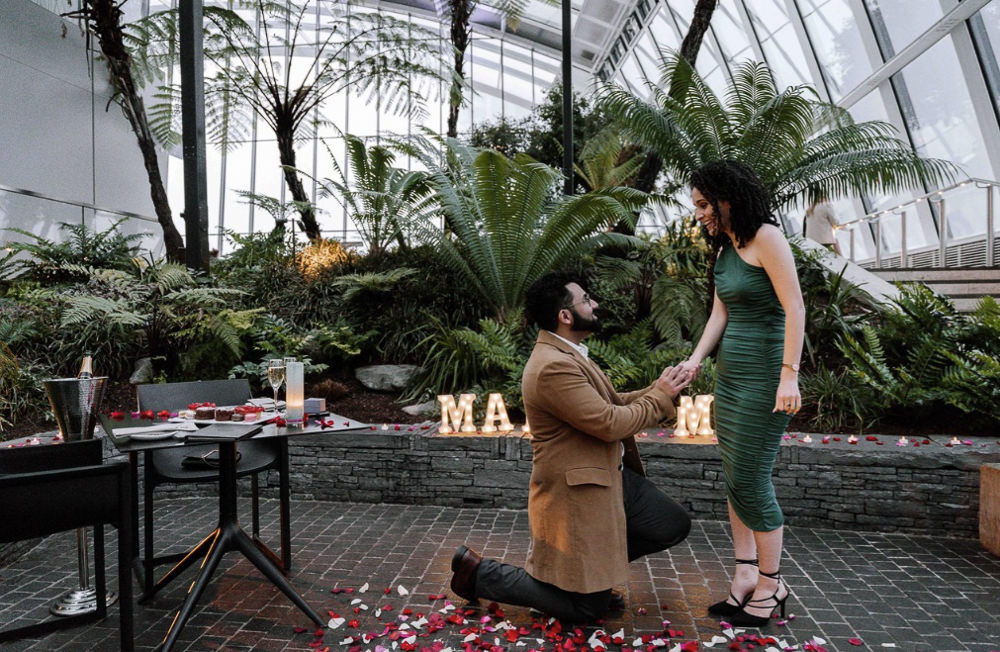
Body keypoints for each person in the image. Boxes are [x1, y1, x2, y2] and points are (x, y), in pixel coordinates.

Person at [448, 271, 693, 623]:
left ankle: (585, 576)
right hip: (578, 492)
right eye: (586, 300)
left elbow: (610, 403)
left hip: (610, 479)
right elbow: (609, 423)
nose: (595, 304)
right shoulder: (552, 366)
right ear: (565, 315)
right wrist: (659, 398)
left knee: (670, 523)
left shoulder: (569, 353)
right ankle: (480, 573)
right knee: (584, 610)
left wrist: (661, 388)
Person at [678, 160, 805, 627]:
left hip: (767, 377)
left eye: (704, 204)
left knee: (751, 478)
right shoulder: (725, 249)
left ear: (728, 198)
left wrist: (788, 374)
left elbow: (795, 306)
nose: (699, 214)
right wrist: (695, 360)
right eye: (696, 206)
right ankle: (745, 575)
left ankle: (773, 583)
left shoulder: (767, 238)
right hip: (730, 378)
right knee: (734, 476)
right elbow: (720, 315)